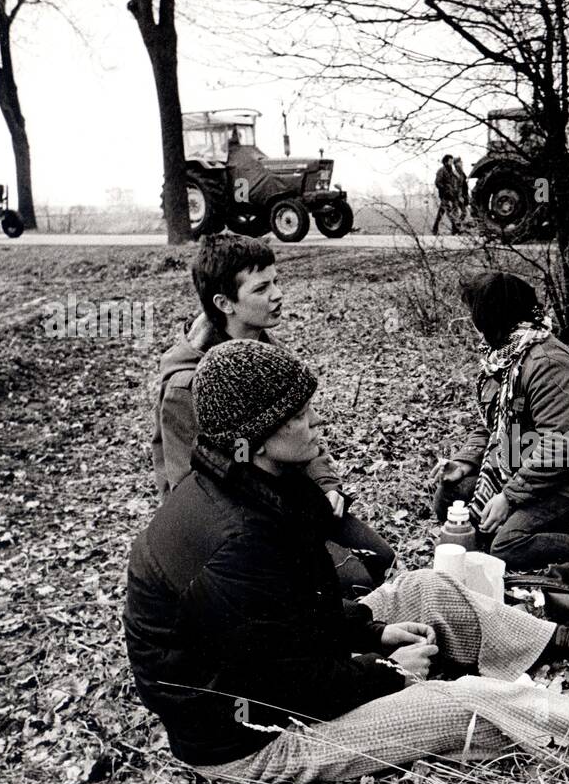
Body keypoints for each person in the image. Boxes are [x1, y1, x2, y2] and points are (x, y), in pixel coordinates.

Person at [124, 340, 569, 784]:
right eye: (296, 416)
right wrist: (385, 673)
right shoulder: (234, 539)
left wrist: (375, 633)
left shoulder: (246, 485)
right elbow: (288, 685)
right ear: (253, 439)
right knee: (461, 704)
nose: (314, 424)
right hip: (252, 741)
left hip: (276, 681)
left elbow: (291, 618)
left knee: (426, 588)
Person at [150, 232, 394, 596]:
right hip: (238, 525)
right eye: (262, 288)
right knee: (352, 583)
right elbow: (191, 484)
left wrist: (325, 483)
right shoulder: (187, 386)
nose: (278, 294)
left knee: (382, 559)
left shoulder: (267, 350)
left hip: (289, 498)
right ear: (224, 303)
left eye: (277, 282)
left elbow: (302, 430)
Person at [433, 271, 569, 569]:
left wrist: (510, 497)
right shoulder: (506, 355)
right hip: (529, 465)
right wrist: (466, 461)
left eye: (474, 312)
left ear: (489, 317)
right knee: (450, 496)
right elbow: (492, 425)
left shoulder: (546, 364)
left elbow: (564, 447)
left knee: (507, 546)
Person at [433, 155, 461, 235]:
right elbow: (438, 182)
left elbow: (455, 181)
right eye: (450, 161)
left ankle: (435, 228)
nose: (451, 163)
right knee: (449, 211)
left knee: (442, 212)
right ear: (445, 162)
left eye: (452, 161)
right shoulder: (441, 171)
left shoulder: (451, 171)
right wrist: (445, 189)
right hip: (445, 194)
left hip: (451, 194)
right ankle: (455, 229)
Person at [453, 156, 470, 223]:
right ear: (457, 163)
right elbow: (456, 186)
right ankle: (456, 227)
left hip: (463, 195)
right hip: (458, 196)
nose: (462, 163)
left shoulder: (461, 172)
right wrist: (460, 196)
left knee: (464, 213)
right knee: (461, 213)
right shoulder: (455, 173)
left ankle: (458, 226)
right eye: (460, 162)